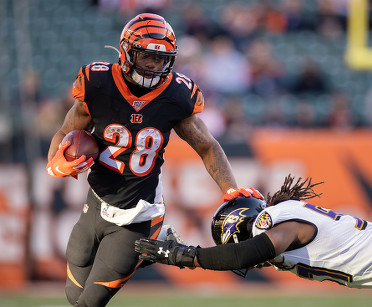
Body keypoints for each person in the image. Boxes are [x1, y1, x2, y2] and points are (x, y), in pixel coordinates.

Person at [46, 13, 261, 307]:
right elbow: (66, 130)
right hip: (96, 201)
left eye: (160, 59)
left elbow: (207, 146)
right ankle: (143, 257)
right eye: (146, 56)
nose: (153, 65)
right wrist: (53, 162)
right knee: (73, 295)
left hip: (138, 215)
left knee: (88, 303)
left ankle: (144, 246)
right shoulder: (98, 84)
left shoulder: (176, 95)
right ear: (126, 51)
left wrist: (230, 188)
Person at [136, 175, 372, 307]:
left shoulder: (277, 222)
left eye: (234, 241)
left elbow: (251, 251)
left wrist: (186, 256)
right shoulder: (279, 227)